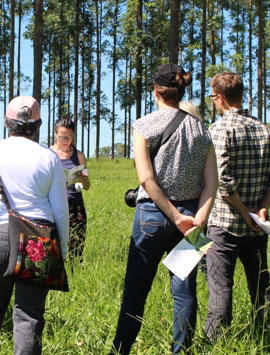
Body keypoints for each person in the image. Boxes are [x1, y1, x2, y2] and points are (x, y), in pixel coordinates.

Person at [112, 64, 218, 354]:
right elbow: (212, 183)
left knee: (136, 289)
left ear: (156, 91)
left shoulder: (144, 125)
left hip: (153, 217)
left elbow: (146, 179)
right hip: (192, 220)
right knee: (184, 293)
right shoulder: (201, 129)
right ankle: (181, 351)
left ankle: (120, 351)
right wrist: (196, 219)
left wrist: (175, 216)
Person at [0, 95, 69, 355]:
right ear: (38, 125)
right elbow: (60, 212)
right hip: (39, 240)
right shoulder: (49, 158)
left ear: (7, 123)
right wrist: (61, 252)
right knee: (29, 315)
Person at [203, 72, 270, 341]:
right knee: (261, 285)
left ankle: (217, 343)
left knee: (220, 289)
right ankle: (269, 336)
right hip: (258, 227)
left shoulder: (218, 130)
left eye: (213, 97)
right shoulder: (266, 131)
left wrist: (243, 211)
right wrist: (260, 209)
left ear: (220, 98)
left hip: (224, 225)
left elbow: (224, 183)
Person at [50, 117, 91, 261]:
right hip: (54, 206)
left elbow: (87, 186)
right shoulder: (48, 154)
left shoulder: (78, 155)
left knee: (76, 250)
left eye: (70, 137)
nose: (66, 141)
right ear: (55, 134)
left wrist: (84, 180)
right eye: (62, 137)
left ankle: (74, 279)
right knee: (54, 249)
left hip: (75, 205)